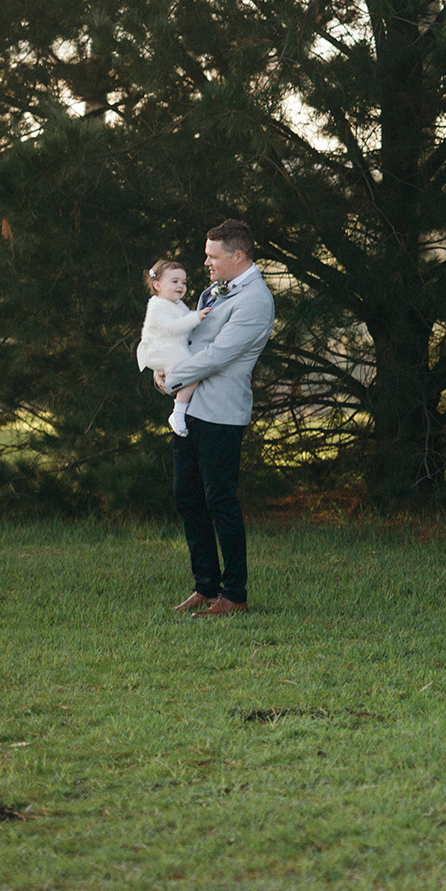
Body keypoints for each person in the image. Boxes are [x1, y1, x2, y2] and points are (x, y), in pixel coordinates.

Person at [154, 219, 276, 618]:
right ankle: (205, 586)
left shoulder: (255, 300)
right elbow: (190, 343)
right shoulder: (215, 289)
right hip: (192, 411)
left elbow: (218, 356)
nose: (205, 263)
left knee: (220, 500)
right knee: (187, 496)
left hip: (222, 414)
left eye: (212, 256)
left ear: (238, 256)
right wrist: (162, 367)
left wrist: (174, 379)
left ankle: (234, 593)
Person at [136, 259, 210, 436]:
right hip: (158, 349)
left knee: (192, 369)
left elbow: (186, 324)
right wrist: (197, 317)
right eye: (174, 281)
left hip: (170, 348)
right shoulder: (157, 305)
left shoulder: (175, 303)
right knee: (192, 369)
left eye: (183, 282)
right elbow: (172, 326)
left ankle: (180, 403)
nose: (181, 286)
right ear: (157, 285)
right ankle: (178, 412)